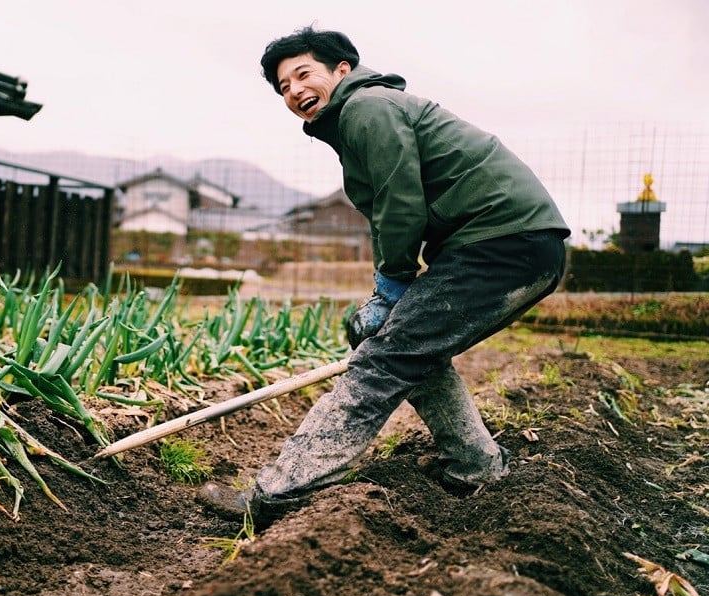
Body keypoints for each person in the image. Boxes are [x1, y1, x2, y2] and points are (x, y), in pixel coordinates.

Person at [197, 26, 571, 523]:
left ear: (342, 70)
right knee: (413, 349)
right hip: (517, 245)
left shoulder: (367, 108)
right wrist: (390, 295)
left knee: (383, 360)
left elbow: (400, 204)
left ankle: (277, 494)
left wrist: (391, 285)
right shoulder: (365, 112)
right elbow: (389, 211)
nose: (294, 91)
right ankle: (475, 465)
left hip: (500, 244)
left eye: (303, 74)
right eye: (283, 87)